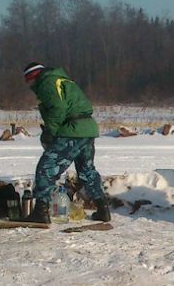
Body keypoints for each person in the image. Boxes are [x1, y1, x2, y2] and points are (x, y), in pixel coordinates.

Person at [22, 62, 110, 224]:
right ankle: (103, 208)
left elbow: (58, 108)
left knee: (46, 168)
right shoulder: (61, 80)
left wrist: (51, 131)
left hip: (72, 130)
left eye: (28, 81)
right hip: (87, 129)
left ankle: (40, 211)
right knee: (87, 170)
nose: (29, 85)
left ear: (32, 77)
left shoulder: (46, 82)